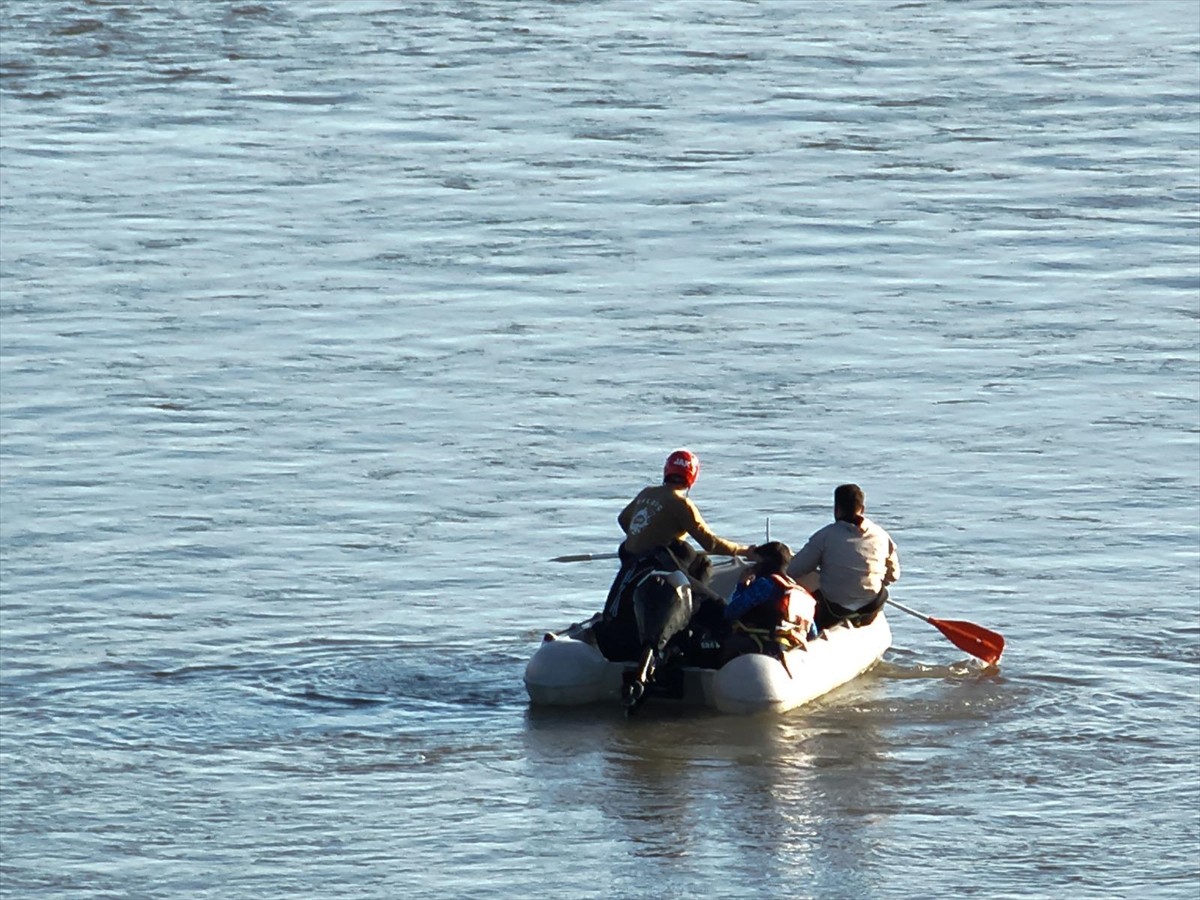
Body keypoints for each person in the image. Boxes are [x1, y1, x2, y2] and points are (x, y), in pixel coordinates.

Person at [595, 449, 754, 660]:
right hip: (656, 569)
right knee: (719, 609)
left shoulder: (646, 493)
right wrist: (745, 550)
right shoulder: (681, 504)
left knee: (699, 562)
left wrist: (646, 535)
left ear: (667, 470)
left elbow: (624, 519)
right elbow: (711, 542)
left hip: (633, 565)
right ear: (693, 477)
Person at [786, 483, 900, 630]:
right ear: (862, 509)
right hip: (869, 608)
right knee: (882, 591)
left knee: (809, 587)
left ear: (837, 509)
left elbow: (793, 570)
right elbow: (893, 575)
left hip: (834, 609)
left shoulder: (825, 536)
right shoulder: (882, 536)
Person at [721, 541, 817, 662]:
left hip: (763, 647)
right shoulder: (800, 592)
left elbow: (730, 612)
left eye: (756, 563)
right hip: (792, 648)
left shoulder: (764, 585)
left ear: (764, 563)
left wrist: (741, 586)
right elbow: (813, 632)